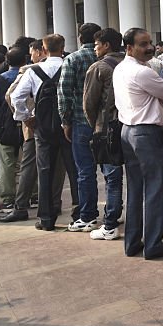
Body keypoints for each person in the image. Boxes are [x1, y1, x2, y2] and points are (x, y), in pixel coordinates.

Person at [113, 28, 163, 259]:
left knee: (135, 189)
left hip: (128, 131)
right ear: (129, 48)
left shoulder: (121, 68)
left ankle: (133, 242)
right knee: (156, 189)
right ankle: (153, 244)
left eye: (150, 42)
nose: (149, 47)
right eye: (143, 44)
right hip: (146, 133)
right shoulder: (142, 72)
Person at [10, 34, 79, 231]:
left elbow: (16, 97)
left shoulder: (34, 71)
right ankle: (79, 214)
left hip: (43, 127)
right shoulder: (70, 66)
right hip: (69, 125)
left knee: (44, 171)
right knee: (74, 171)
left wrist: (26, 118)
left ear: (44, 50)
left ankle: (47, 219)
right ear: (63, 48)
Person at [81, 27, 126, 241]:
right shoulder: (130, 64)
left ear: (106, 45)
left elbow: (89, 104)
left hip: (108, 129)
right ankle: (125, 216)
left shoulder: (98, 68)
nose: (95, 49)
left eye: (97, 45)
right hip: (132, 126)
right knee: (132, 177)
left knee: (112, 178)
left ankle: (110, 224)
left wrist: (96, 126)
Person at [59, 22, 102, 233]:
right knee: (112, 172)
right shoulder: (108, 59)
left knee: (85, 171)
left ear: (79, 37)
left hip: (81, 121)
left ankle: (88, 215)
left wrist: (65, 121)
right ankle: (113, 213)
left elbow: (64, 93)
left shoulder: (73, 59)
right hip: (107, 124)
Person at [0, 40, 47, 223]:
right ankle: (54, 205)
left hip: (34, 127)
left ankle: (20, 207)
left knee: (28, 165)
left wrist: (25, 117)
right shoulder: (65, 65)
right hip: (60, 126)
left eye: (32, 52)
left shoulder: (28, 70)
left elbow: (11, 96)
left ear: (40, 51)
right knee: (59, 168)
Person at [0, 47, 25, 213]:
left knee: (7, 164)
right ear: (25, 60)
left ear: (6, 62)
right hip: (27, 124)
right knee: (29, 162)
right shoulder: (31, 76)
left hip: (4, 127)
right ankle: (33, 194)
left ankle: (8, 199)